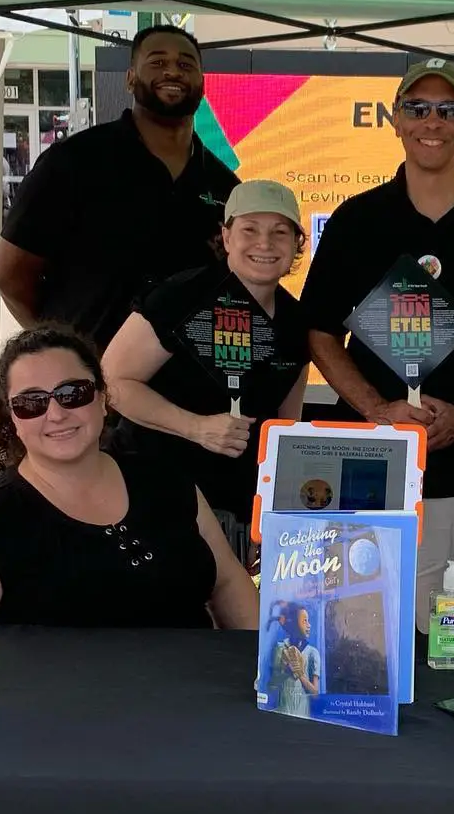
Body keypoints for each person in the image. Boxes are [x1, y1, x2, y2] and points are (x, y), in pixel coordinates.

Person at [300, 59, 454, 627]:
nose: (432, 121)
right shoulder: (357, 219)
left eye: (449, 109)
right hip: (366, 459)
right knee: (353, 625)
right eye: (417, 107)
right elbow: (319, 331)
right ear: (396, 119)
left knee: (448, 633)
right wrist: (377, 410)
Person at [0, 325, 258, 628]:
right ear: (12, 419)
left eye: (73, 393)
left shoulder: (166, 481)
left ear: (102, 399)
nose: (56, 414)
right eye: (31, 402)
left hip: (197, 690)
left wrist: (266, 668)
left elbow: (228, 582)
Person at [0, 24, 238, 350]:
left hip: (187, 391)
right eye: (157, 61)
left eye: (185, 64)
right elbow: (10, 275)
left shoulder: (226, 187)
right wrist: (64, 348)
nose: (172, 72)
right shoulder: (72, 162)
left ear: (202, 84)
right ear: (130, 79)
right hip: (91, 386)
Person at [102, 179, 309, 554]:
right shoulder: (179, 297)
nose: (265, 243)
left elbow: (285, 425)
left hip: (240, 516)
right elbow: (113, 380)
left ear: (297, 244)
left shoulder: (296, 322)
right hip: (155, 499)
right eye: (250, 230)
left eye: (280, 232)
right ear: (226, 236)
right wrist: (196, 427)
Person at [264, 602, 322, 717]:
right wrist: (286, 671)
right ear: (293, 623)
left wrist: (299, 673)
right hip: (282, 712)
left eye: (308, 621)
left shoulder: (312, 653)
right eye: (304, 621)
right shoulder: (280, 649)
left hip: (302, 716)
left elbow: (315, 693)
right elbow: (271, 686)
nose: (309, 625)